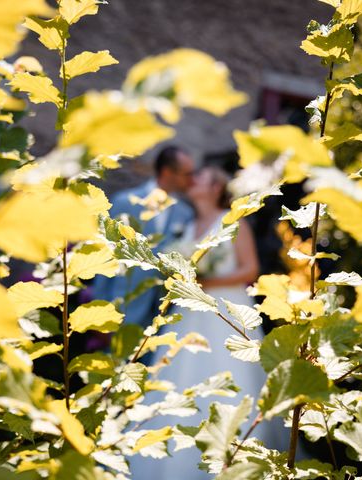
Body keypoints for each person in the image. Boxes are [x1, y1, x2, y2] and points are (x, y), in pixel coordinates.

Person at [129, 165, 293, 479]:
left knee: (232, 376)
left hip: (226, 313)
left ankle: (238, 458)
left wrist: (206, 283)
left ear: (217, 186)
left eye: (200, 176)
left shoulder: (232, 222)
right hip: (191, 314)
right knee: (181, 376)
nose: (192, 179)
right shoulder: (188, 226)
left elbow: (250, 269)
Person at [92, 146, 196, 329]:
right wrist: (100, 312)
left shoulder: (185, 213)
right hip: (122, 307)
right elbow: (105, 256)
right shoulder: (125, 202)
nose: (191, 180)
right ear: (167, 172)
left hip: (162, 315)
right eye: (187, 174)